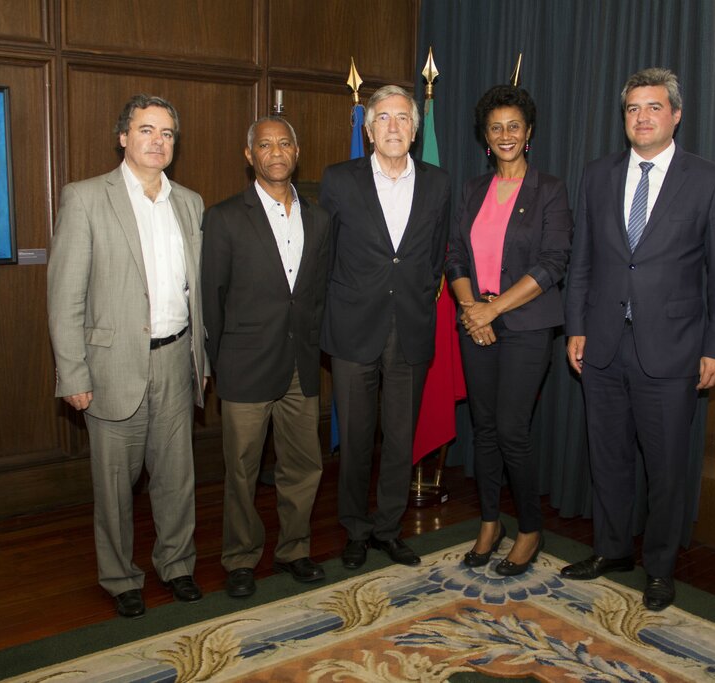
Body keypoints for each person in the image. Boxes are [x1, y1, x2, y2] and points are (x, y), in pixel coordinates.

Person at [562, 68, 715, 610]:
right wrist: (577, 327)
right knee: (608, 457)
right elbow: (583, 262)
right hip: (604, 347)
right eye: (633, 109)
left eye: (653, 107)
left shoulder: (708, 180)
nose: (642, 117)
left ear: (676, 115)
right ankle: (613, 549)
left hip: (674, 351)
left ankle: (659, 568)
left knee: (665, 471)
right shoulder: (597, 174)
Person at [47, 94, 208, 619]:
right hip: (112, 367)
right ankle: (120, 576)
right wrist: (72, 371)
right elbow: (65, 295)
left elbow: (196, 292)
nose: (157, 141)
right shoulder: (87, 198)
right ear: (123, 137)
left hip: (175, 361)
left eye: (166, 133)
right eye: (146, 130)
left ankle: (177, 565)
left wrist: (198, 360)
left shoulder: (190, 202)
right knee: (115, 485)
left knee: (176, 477)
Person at [319, 84, 451, 569]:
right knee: (355, 439)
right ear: (368, 128)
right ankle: (355, 528)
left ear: (415, 130)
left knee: (400, 437)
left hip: (411, 329)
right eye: (384, 118)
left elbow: (437, 253)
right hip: (354, 329)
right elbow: (325, 253)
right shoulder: (339, 179)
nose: (393, 127)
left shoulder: (439, 182)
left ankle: (389, 527)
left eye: (402, 118)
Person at [201, 116, 330, 598]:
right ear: (249, 154)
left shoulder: (320, 218)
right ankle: (240, 557)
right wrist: (221, 362)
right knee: (241, 468)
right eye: (265, 145)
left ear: (297, 152)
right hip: (245, 365)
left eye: (284, 144)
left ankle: (295, 549)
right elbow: (211, 299)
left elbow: (315, 295)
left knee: (304, 464)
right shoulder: (224, 217)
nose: (276, 152)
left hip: (301, 363)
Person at [447, 85, 571, 576]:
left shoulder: (550, 190)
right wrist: (470, 308)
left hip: (524, 325)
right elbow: (454, 253)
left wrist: (491, 312)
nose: (505, 135)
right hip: (475, 321)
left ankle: (529, 529)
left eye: (513, 126)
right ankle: (489, 522)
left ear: (529, 133)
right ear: (485, 136)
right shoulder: (474, 189)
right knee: (482, 431)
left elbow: (552, 264)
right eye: (496, 127)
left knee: (512, 431)